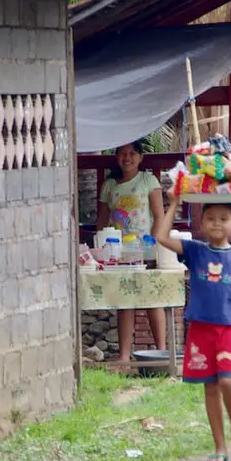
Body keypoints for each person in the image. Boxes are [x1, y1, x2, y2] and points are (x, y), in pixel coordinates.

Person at [156, 194, 231, 461]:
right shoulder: (195, 251)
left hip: (230, 328)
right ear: (200, 222)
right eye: (210, 218)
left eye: (223, 219)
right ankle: (219, 446)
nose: (216, 224)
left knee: (228, 381)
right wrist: (173, 203)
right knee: (210, 388)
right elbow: (161, 237)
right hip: (200, 329)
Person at [96, 141, 167, 363]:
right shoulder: (109, 185)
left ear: (141, 157)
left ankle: (161, 353)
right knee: (124, 301)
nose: (127, 158)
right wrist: (100, 247)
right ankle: (124, 356)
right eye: (122, 153)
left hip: (145, 250)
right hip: (118, 252)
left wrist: (152, 244)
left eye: (132, 153)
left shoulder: (148, 180)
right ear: (116, 157)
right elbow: (102, 220)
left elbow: (159, 216)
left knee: (151, 299)